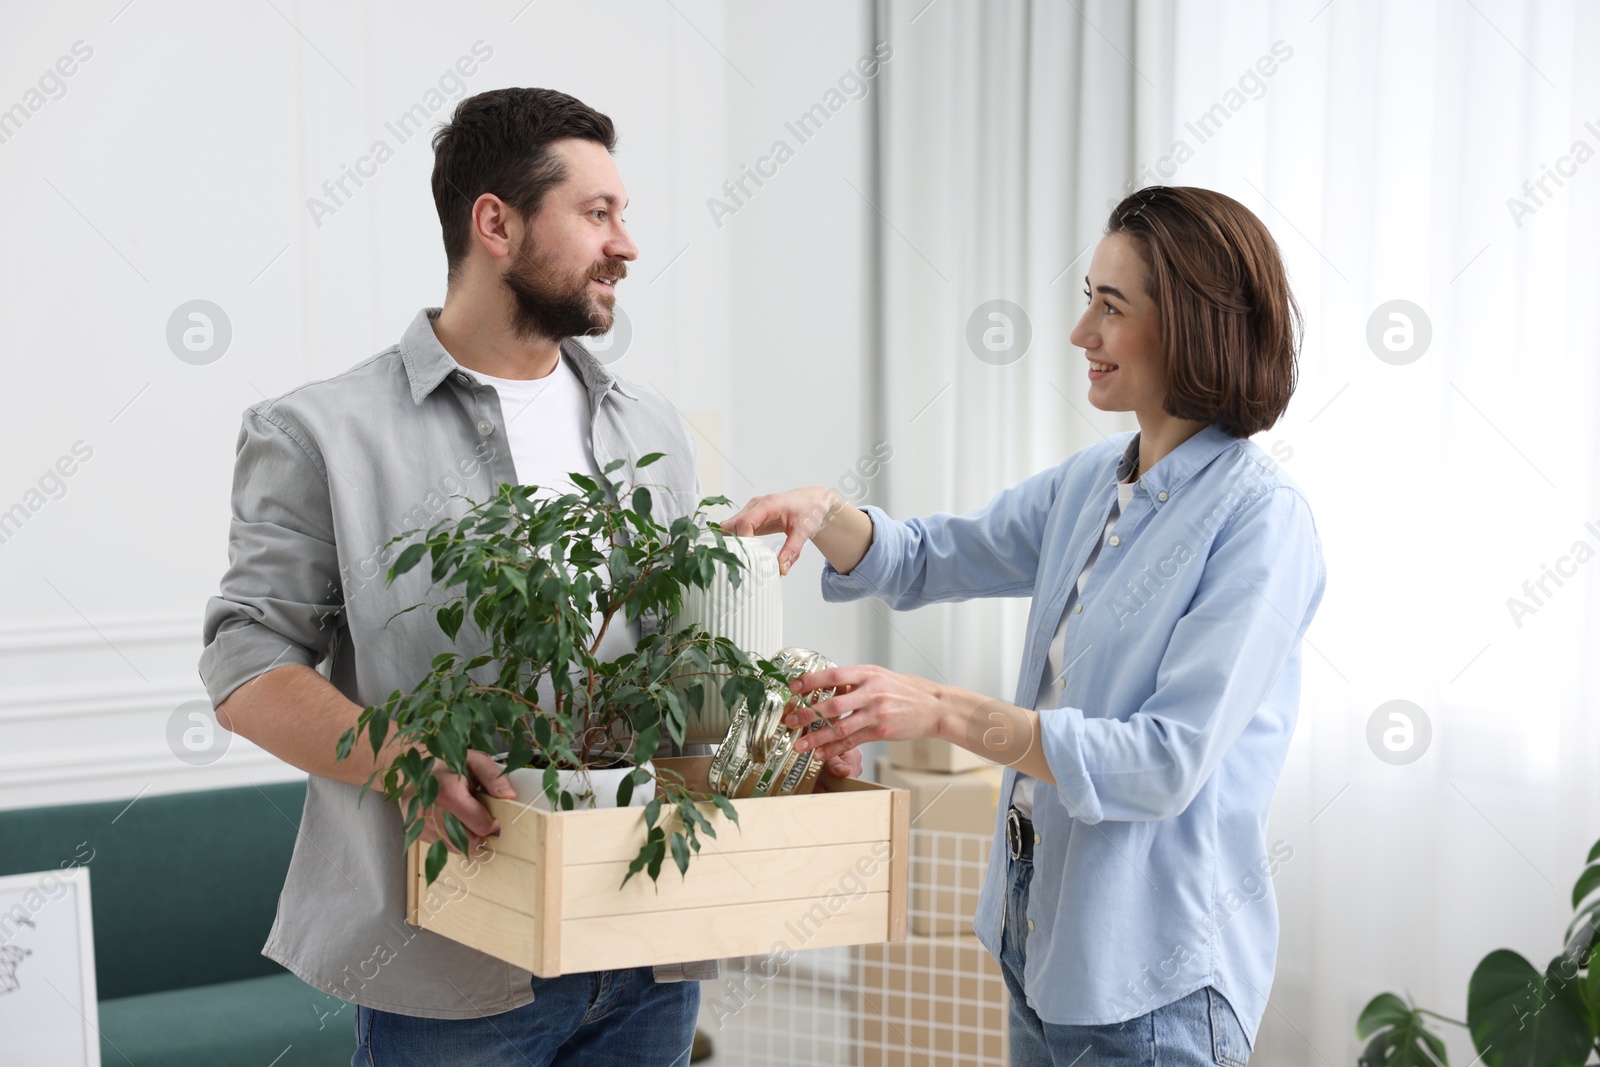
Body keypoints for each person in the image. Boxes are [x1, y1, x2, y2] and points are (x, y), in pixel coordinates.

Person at [199, 86, 862, 1066]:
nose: (628, 245)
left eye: (624, 214)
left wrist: (775, 738)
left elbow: (673, 673)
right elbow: (245, 667)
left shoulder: (649, 427)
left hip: (647, 937)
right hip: (453, 957)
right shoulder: (321, 433)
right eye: (598, 214)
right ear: (496, 224)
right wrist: (401, 761)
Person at [723, 186, 1326, 1067]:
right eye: (1089, 297)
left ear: (1192, 326)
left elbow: (1162, 762)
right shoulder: (1092, 482)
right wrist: (825, 511)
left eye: (1109, 308)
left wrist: (939, 708)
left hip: (1152, 993)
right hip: (1039, 956)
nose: (1081, 333)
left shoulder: (1260, 522)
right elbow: (931, 555)